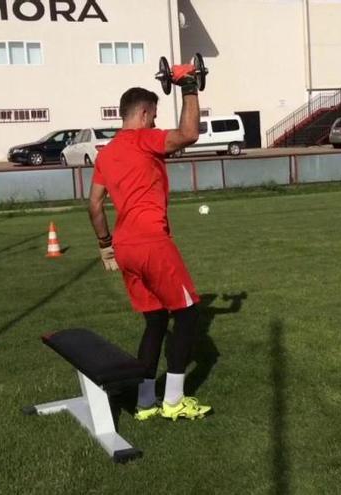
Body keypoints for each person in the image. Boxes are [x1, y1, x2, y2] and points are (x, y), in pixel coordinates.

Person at [88, 66, 212, 420]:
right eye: (155, 116)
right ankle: (173, 401)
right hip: (150, 242)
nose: (156, 122)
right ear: (142, 114)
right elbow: (189, 133)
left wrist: (104, 246)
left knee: (156, 321)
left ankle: (145, 403)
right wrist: (189, 86)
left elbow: (94, 205)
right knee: (187, 316)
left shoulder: (106, 153)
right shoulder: (143, 138)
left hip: (124, 247)